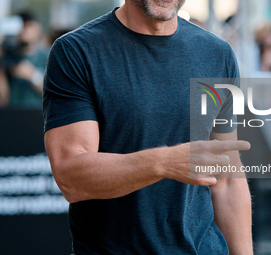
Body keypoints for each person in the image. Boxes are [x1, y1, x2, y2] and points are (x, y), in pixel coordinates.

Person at [43, 1, 253, 254]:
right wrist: (162, 162)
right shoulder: (77, 51)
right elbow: (72, 178)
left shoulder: (216, 53)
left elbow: (227, 179)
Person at [0, 11, 48, 109]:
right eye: (21, 26)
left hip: (37, 113)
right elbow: (4, 96)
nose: (24, 30)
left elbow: (53, 92)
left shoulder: (47, 56)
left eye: (28, 26)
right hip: (12, 113)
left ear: (38, 28)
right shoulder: (8, 55)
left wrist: (33, 75)